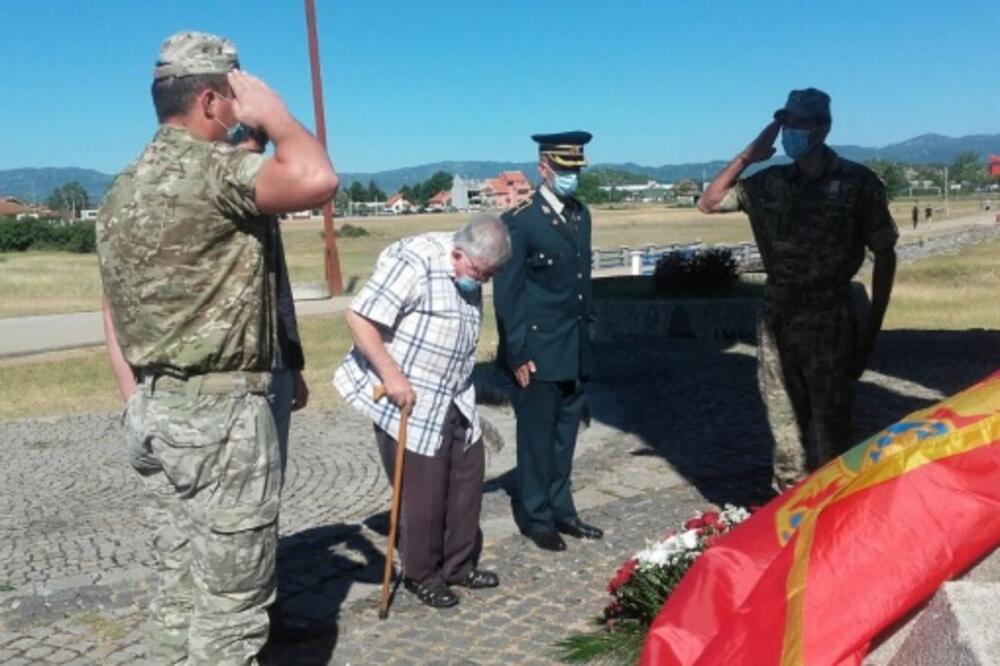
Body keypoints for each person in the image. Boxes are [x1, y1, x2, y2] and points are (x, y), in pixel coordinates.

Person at [98, 31, 337, 664]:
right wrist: (277, 115)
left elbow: (111, 306)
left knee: (177, 593)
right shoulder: (215, 172)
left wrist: (135, 398)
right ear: (209, 100)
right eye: (234, 98)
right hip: (221, 420)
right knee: (230, 612)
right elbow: (316, 178)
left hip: (152, 411)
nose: (242, 109)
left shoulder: (122, 187)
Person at [698, 88, 898, 491]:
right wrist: (747, 156)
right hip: (779, 315)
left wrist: (871, 328)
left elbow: (885, 254)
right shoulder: (767, 182)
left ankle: (833, 517)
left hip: (831, 316)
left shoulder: (858, 183)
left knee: (832, 431)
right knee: (784, 430)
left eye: (797, 123)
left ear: (822, 129)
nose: (789, 131)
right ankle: (789, 513)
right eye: (784, 122)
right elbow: (709, 202)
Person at [334, 215, 511, 608]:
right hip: (408, 395)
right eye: (479, 274)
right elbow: (358, 317)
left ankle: (458, 566)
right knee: (423, 492)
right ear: (458, 252)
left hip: (455, 393)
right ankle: (422, 574)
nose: (480, 283)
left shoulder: (470, 265)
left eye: (488, 277)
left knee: (468, 476)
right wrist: (391, 374)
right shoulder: (414, 261)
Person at [492, 131, 603, 552]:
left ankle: (563, 509)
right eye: (563, 169)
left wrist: (588, 332)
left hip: (575, 346)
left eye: (575, 169)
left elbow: (581, 283)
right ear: (543, 168)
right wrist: (517, 351)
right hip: (538, 350)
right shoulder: (521, 219)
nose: (570, 176)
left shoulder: (580, 214)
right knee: (537, 438)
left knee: (566, 435)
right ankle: (537, 516)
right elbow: (509, 292)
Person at [237, 129, 309, 474]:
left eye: (260, 153)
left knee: (273, 475)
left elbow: (281, 291)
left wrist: (294, 367)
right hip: (234, 375)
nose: (257, 164)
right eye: (248, 153)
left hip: (276, 366)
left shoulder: (265, 211)